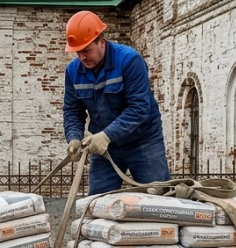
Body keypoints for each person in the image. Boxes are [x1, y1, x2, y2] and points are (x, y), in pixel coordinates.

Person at [62, 10, 169, 194]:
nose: (82, 57)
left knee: (158, 200)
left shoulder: (129, 61)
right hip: (106, 148)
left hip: (143, 141)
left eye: (86, 50)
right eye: (78, 52)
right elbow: (72, 110)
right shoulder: (73, 71)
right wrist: (74, 138)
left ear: (101, 42)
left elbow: (139, 108)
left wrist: (106, 135)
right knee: (97, 203)